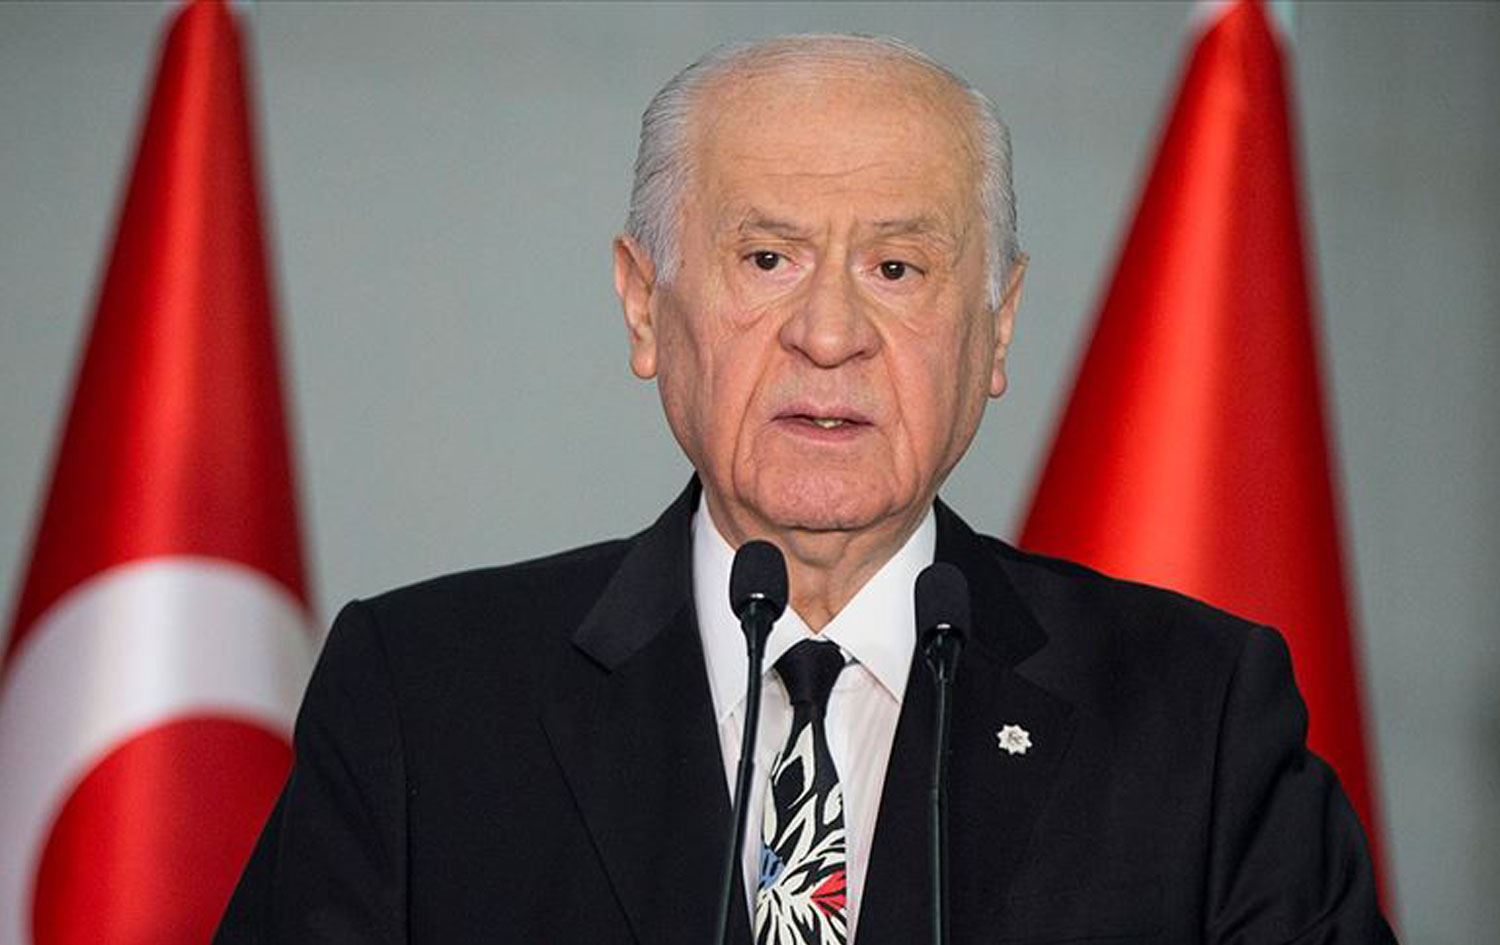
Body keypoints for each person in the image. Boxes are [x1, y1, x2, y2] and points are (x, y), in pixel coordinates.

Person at [215, 34, 1394, 945]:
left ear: (997, 328)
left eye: (898, 267)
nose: (830, 334)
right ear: (644, 305)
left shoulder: (1200, 720)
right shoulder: (424, 700)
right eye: (768, 259)